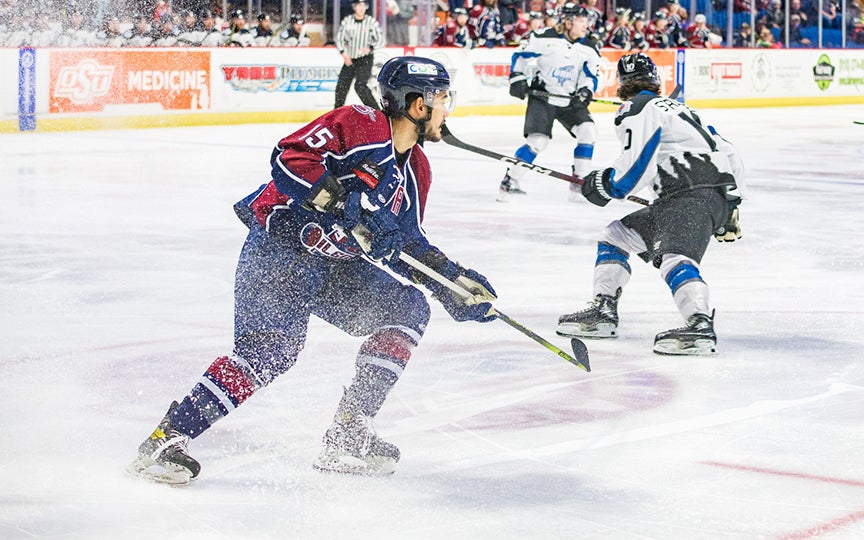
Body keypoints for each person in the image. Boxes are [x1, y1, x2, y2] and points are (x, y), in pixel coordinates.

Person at [127, 56, 497, 485]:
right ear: (418, 105)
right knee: (272, 351)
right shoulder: (360, 123)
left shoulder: (416, 169)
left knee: (408, 310)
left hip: (337, 268)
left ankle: (348, 433)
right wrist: (342, 203)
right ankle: (166, 438)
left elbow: (405, 244)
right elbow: (289, 158)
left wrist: (450, 282)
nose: (446, 108)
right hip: (282, 250)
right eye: (442, 98)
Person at [557, 53, 745, 356]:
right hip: (704, 195)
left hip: (688, 194)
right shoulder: (682, 108)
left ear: (621, 83)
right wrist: (731, 207)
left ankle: (699, 324)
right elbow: (730, 151)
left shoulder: (635, 108)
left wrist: (606, 185)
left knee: (674, 255)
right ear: (656, 79)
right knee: (616, 236)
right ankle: (604, 310)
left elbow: (636, 167)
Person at [500, 2, 600, 201]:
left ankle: (578, 181)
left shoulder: (589, 46)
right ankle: (510, 180)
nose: (585, 25)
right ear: (569, 21)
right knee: (538, 141)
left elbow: (591, 75)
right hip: (543, 97)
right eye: (581, 21)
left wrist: (587, 89)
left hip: (570, 99)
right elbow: (520, 56)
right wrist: (518, 78)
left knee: (588, 131)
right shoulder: (543, 37)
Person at [334, 0, 385, 109]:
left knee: (360, 86)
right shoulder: (347, 21)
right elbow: (339, 39)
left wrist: (370, 47)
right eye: (359, 5)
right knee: (341, 87)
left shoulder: (371, 22)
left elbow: (381, 40)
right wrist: (343, 53)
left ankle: (377, 112)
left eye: (364, 5)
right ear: (354, 7)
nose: (361, 8)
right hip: (350, 59)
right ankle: (336, 112)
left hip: (365, 59)